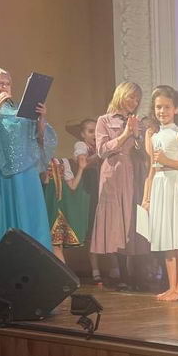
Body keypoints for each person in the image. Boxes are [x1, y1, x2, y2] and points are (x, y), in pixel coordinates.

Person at [0, 67, 56, 275]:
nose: (4, 87)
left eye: (7, 83)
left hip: (25, 176)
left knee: (28, 221)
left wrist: (41, 119)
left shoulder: (22, 110)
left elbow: (41, 140)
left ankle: (33, 274)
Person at [142, 85, 178, 300]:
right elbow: (151, 169)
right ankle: (172, 286)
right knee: (166, 237)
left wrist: (167, 161)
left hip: (177, 185)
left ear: (176, 109)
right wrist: (146, 197)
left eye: (166, 107)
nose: (162, 111)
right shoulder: (154, 136)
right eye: (158, 107)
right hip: (160, 185)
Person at [90, 82, 143, 290]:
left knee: (131, 219)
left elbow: (143, 151)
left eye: (137, 99)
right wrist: (125, 134)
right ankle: (120, 273)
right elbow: (102, 150)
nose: (134, 102)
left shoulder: (136, 121)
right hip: (112, 173)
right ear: (121, 95)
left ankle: (135, 273)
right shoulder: (104, 120)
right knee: (115, 221)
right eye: (131, 97)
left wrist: (137, 135)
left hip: (132, 172)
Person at [69, 119, 103, 283]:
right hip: (89, 190)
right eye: (90, 131)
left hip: (103, 189)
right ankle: (95, 269)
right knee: (92, 229)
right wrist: (101, 153)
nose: (94, 135)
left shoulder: (101, 145)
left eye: (96, 131)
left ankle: (115, 267)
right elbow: (84, 163)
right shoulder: (81, 146)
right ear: (83, 134)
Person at [42, 153, 90, 263]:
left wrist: (81, 169)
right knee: (54, 246)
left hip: (60, 209)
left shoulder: (63, 162)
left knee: (56, 246)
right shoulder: (41, 161)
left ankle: (61, 272)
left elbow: (72, 185)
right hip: (48, 207)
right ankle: (61, 272)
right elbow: (44, 181)